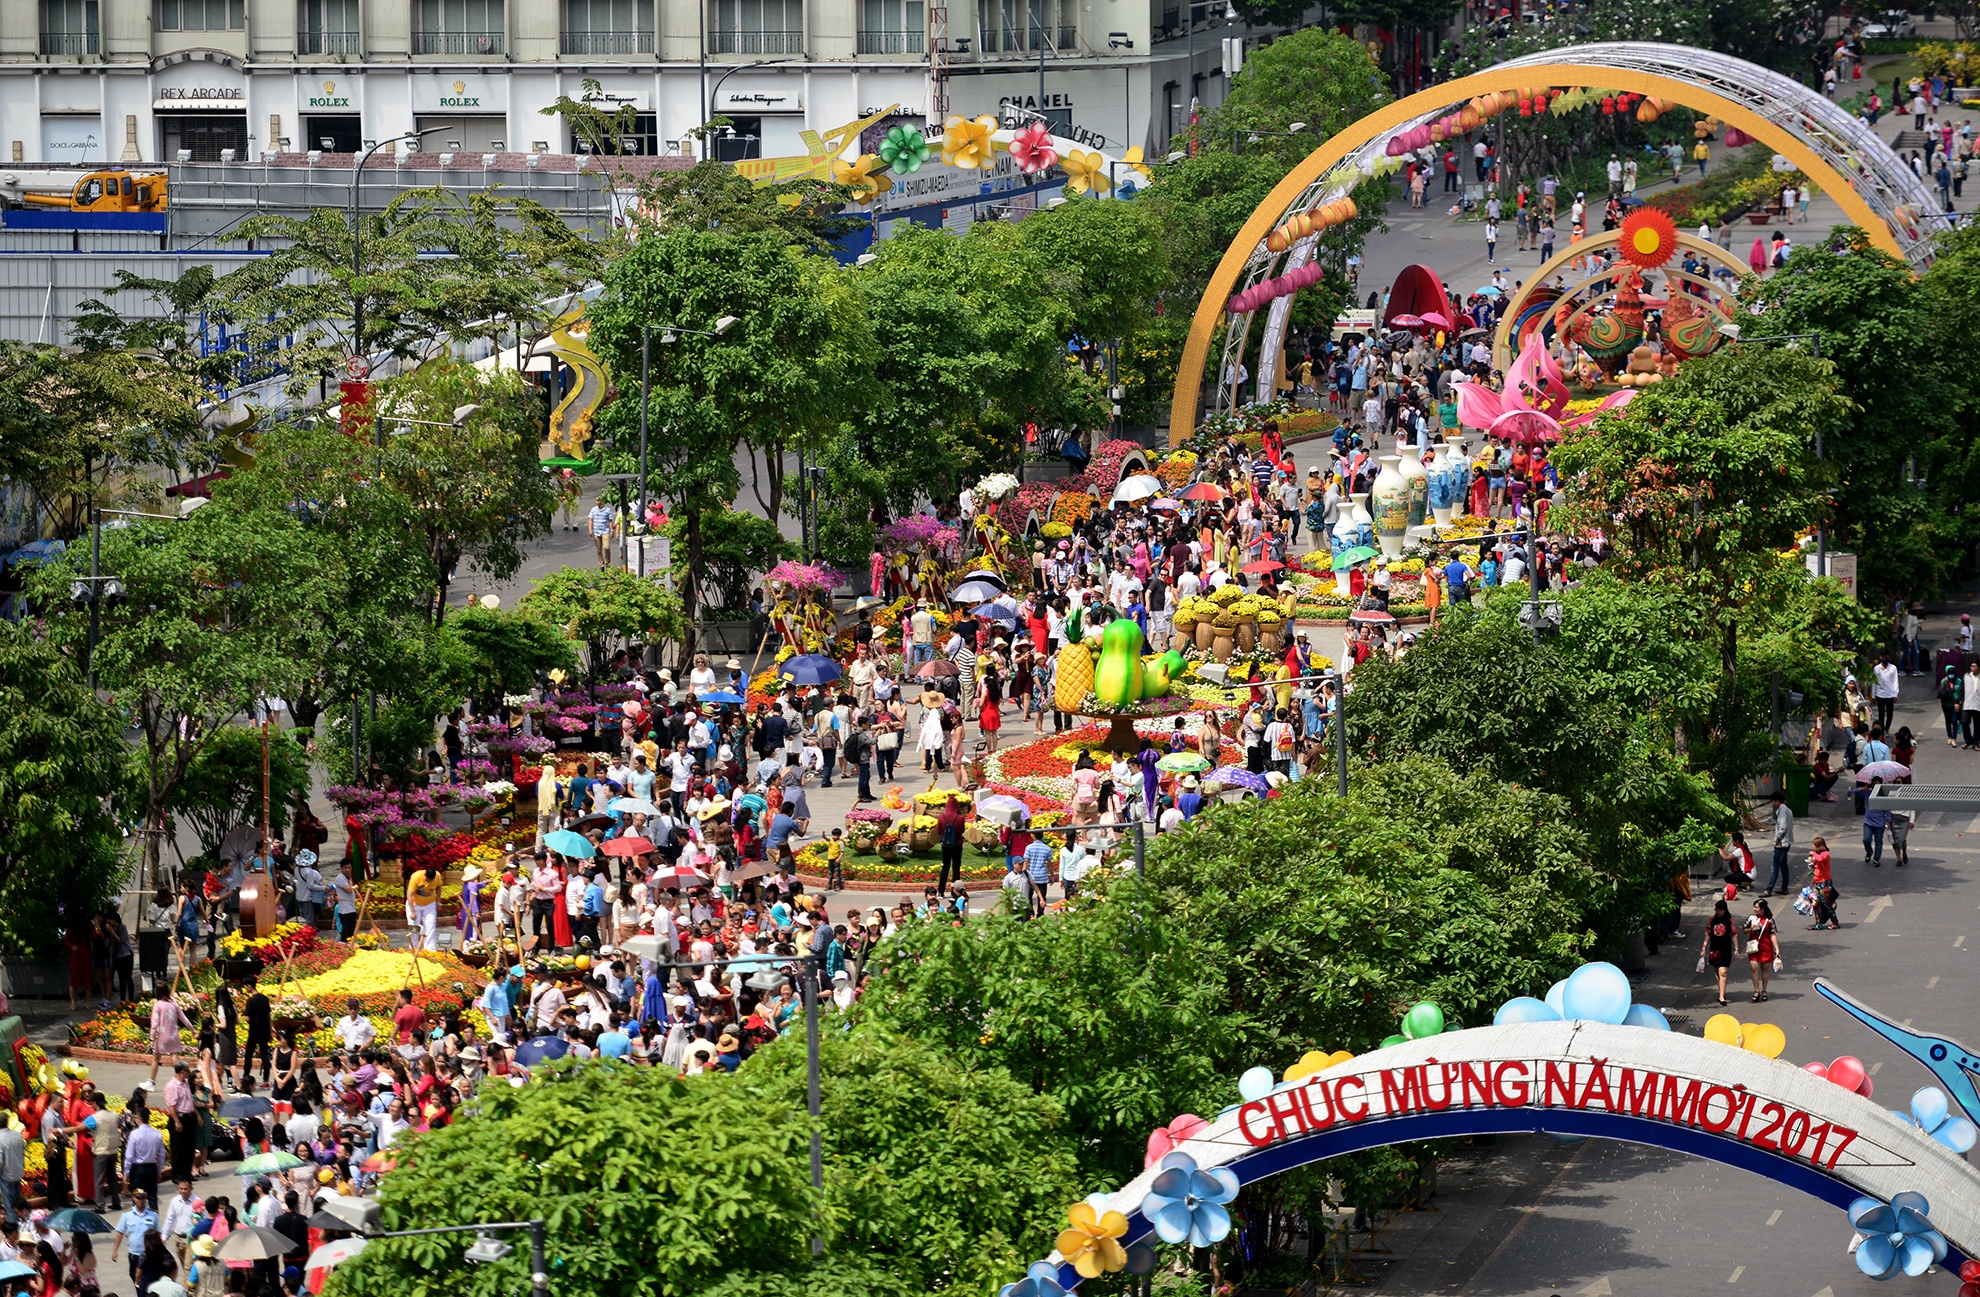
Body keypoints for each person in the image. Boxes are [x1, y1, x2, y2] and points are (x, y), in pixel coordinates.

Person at [1701, 898, 1735, 1006]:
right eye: (1717, 910)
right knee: (1717, 972)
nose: (1718, 912)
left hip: (1725, 949)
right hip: (1714, 949)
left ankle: (1721, 997)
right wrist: (1704, 947)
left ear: (1725, 910)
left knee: (1723, 972)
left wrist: (1737, 948)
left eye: (1720, 910)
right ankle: (1722, 991)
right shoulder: (1712, 920)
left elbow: (1734, 934)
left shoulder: (1729, 921)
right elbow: (1708, 934)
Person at [1745, 898, 1779, 1002]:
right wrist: (1751, 929)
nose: (1754, 909)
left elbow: (1772, 934)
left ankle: (1764, 990)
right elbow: (1744, 930)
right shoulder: (1751, 918)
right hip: (1754, 948)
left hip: (1766, 947)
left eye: (1756, 907)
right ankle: (1756, 990)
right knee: (1754, 968)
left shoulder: (1769, 920)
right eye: (1754, 907)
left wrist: (1777, 949)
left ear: (1762, 909)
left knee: (1765, 969)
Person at [1765, 790, 1794, 896]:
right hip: (1787, 842)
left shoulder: (1782, 811)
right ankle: (1784, 888)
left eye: (1773, 801)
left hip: (1781, 843)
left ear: (1777, 801)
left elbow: (1782, 827)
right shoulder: (1788, 810)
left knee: (1775, 867)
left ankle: (1769, 889)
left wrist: (1777, 839)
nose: (1773, 803)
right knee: (1783, 866)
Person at [1807, 835, 1839, 930]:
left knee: (1826, 903)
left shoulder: (1825, 854)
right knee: (1816, 903)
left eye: (1814, 846)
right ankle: (1818, 923)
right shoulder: (1817, 855)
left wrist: (1813, 854)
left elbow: (1821, 859)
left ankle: (1835, 922)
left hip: (1824, 883)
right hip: (1817, 882)